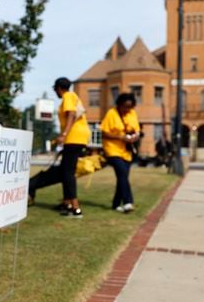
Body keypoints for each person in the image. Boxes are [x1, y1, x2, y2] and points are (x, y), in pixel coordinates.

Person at [28, 77, 90, 218]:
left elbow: (71, 115)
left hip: (73, 138)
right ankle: (67, 203)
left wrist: (63, 134)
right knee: (64, 171)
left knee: (68, 173)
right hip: (79, 138)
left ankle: (75, 208)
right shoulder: (74, 96)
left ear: (58, 88)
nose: (55, 92)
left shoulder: (67, 96)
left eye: (55, 89)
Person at [101, 93, 141, 213]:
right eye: (125, 106)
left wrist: (134, 136)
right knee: (122, 173)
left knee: (122, 177)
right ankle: (128, 202)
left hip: (126, 151)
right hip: (112, 149)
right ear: (119, 104)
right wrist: (120, 137)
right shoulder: (111, 114)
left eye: (130, 106)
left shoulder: (132, 113)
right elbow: (104, 133)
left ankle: (116, 204)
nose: (127, 109)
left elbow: (137, 130)